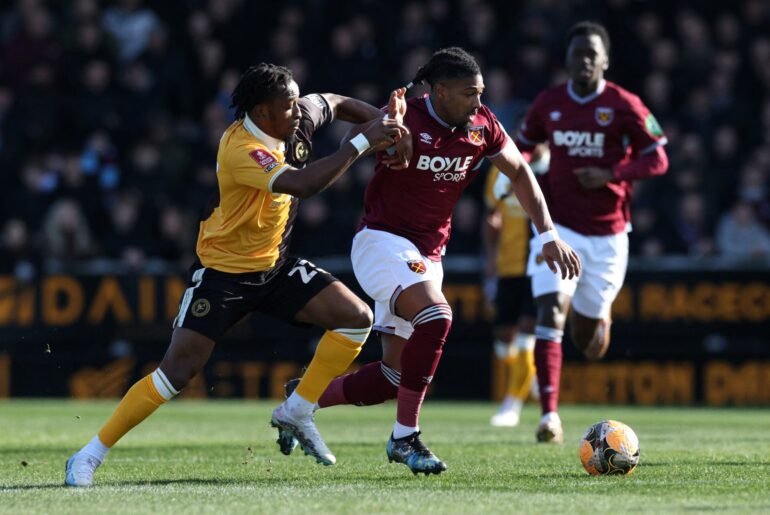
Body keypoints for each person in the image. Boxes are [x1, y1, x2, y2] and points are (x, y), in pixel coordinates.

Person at [64, 62, 408, 487]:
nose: (298, 112)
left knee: (356, 319)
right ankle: (89, 454)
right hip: (223, 274)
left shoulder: (294, 116)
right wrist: (361, 143)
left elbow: (334, 102)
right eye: (287, 107)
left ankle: (297, 409)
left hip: (274, 266)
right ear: (261, 113)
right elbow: (301, 184)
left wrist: (382, 119)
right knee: (178, 371)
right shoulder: (241, 148)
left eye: (297, 101)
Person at [279, 47, 581, 475]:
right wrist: (383, 132)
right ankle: (405, 439)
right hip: (380, 241)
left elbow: (519, 172)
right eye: (468, 93)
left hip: (427, 254)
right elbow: (349, 146)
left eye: (480, 93)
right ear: (439, 91)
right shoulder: (406, 115)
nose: (478, 102)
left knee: (392, 377)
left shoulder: (482, 125)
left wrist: (547, 234)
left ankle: (302, 400)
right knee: (437, 316)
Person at [515, 22, 669, 443]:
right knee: (550, 311)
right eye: (576, 53)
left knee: (588, 342)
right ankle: (549, 416)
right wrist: (531, 157)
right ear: (566, 59)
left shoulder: (625, 104)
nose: (583, 60)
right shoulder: (548, 102)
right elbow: (521, 147)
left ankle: (600, 316)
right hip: (557, 227)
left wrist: (611, 173)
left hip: (608, 236)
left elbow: (658, 159)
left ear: (605, 60)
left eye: (591, 54)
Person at [482, 164, 539, 428]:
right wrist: (491, 258)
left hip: (539, 266)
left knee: (528, 331)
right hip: (508, 265)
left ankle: (512, 404)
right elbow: (491, 217)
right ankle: (530, 376)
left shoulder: (552, 170)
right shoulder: (500, 172)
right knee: (504, 339)